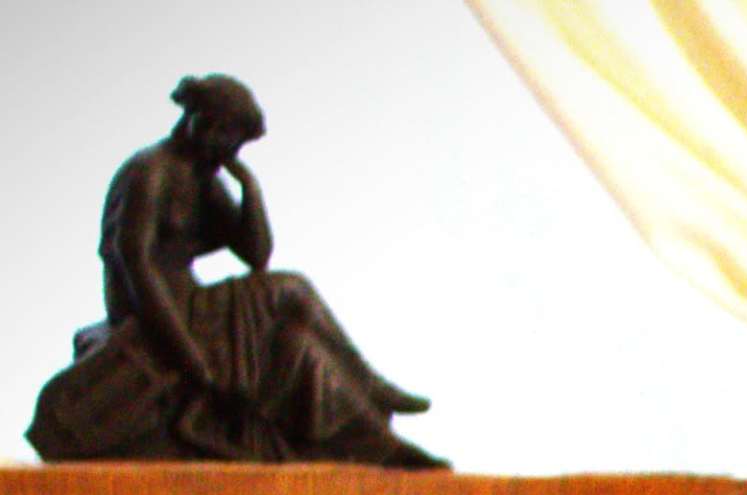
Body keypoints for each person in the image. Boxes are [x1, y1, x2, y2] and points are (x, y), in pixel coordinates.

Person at [30, 75, 443, 468]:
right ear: (200, 122)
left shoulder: (204, 177)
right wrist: (189, 355)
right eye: (229, 137)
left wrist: (250, 189)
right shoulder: (151, 172)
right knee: (291, 289)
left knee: (300, 348)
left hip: (195, 304)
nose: (230, 149)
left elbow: (256, 254)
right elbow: (136, 266)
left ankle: (381, 442)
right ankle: (372, 385)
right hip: (162, 313)